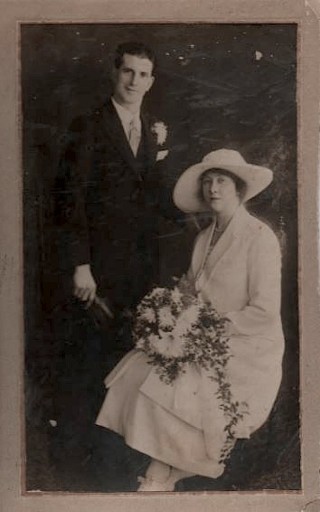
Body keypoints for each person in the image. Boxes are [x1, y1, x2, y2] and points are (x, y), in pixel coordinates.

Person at [95, 148, 285, 491]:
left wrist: (205, 328)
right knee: (142, 365)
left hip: (248, 345)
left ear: (239, 189)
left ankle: (162, 474)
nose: (213, 189)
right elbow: (190, 290)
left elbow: (265, 311)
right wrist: (170, 315)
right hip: (200, 334)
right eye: (208, 182)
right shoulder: (203, 238)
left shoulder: (259, 237)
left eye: (222, 181)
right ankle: (163, 469)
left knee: (176, 380)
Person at [52, 41, 168, 480]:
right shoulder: (88, 126)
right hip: (98, 269)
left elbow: (155, 195)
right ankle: (87, 467)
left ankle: (127, 459)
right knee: (94, 360)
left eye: (143, 75)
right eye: (128, 72)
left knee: (134, 359)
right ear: (113, 73)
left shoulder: (154, 128)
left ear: (151, 81)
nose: (135, 81)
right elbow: (70, 202)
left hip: (141, 268)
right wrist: (80, 264)